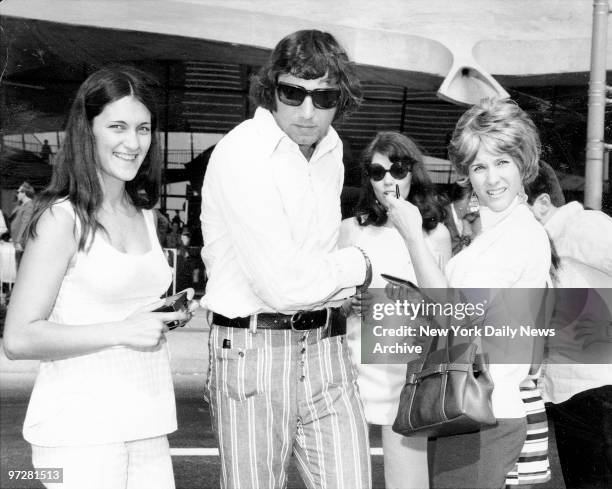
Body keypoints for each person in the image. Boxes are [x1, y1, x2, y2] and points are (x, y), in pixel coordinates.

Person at [3, 65, 195, 489]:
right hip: (79, 435)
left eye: (143, 128)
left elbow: (118, 305)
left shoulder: (145, 214)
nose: (133, 142)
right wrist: (123, 330)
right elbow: (18, 339)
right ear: (87, 131)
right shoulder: (61, 218)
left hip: (147, 422)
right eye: (118, 127)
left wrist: (158, 316)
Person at [200, 29, 372, 489]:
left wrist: (333, 282)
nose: (307, 110)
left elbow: (310, 262)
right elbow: (283, 286)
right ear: (272, 87)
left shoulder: (332, 150)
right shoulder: (242, 153)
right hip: (253, 352)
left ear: (342, 99)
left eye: (324, 96)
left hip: (326, 348)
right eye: (293, 93)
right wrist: (357, 265)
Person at [386, 98, 551, 489]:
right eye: (479, 166)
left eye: (502, 162)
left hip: (482, 412)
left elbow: (452, 312)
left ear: (522, 163)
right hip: (469, 407)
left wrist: (412, 237)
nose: (491, 178)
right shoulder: (498, 234)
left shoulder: (518, 235)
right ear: (467, 174)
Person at [339, 131, 451, 489]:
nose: (387, 179)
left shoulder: (436, 234)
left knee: (408, 481)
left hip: (410, 369)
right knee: (343, 475)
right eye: (377, 172)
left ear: (412, 172)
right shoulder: (349, 230)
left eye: (397, 168)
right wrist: (349, 303)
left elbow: (444, 308)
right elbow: (332, 300)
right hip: (354, 365)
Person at [526, 162, 612, 489]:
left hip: (597, 391)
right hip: (570, 394)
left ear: (544, 203)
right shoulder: (543, 244)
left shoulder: (582, 227)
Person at [9, 181, 36, 266]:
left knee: (20, 268)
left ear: (24, 193)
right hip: (18, 242)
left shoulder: (29, 205)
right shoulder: (22, 205)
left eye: (18, 192)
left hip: (21, 244)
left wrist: (19, 241)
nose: (17, 194)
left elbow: (25, 224)